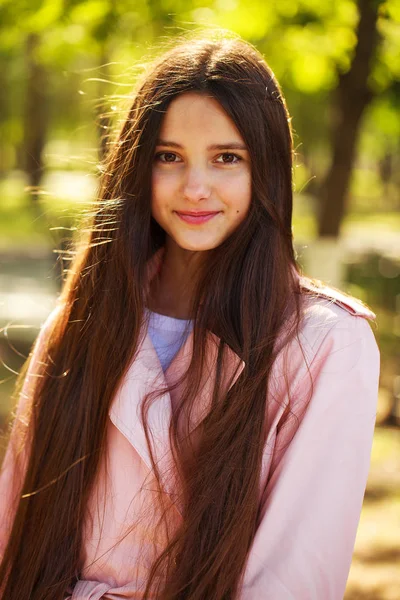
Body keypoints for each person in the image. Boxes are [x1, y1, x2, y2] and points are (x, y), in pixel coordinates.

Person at [0, 33, 380, 600]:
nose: (195, 187)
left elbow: (293, 575)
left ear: (268, 169)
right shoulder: (82, 320)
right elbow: (13, 525)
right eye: (169, 157)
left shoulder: (326, 345)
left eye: (227, 157)